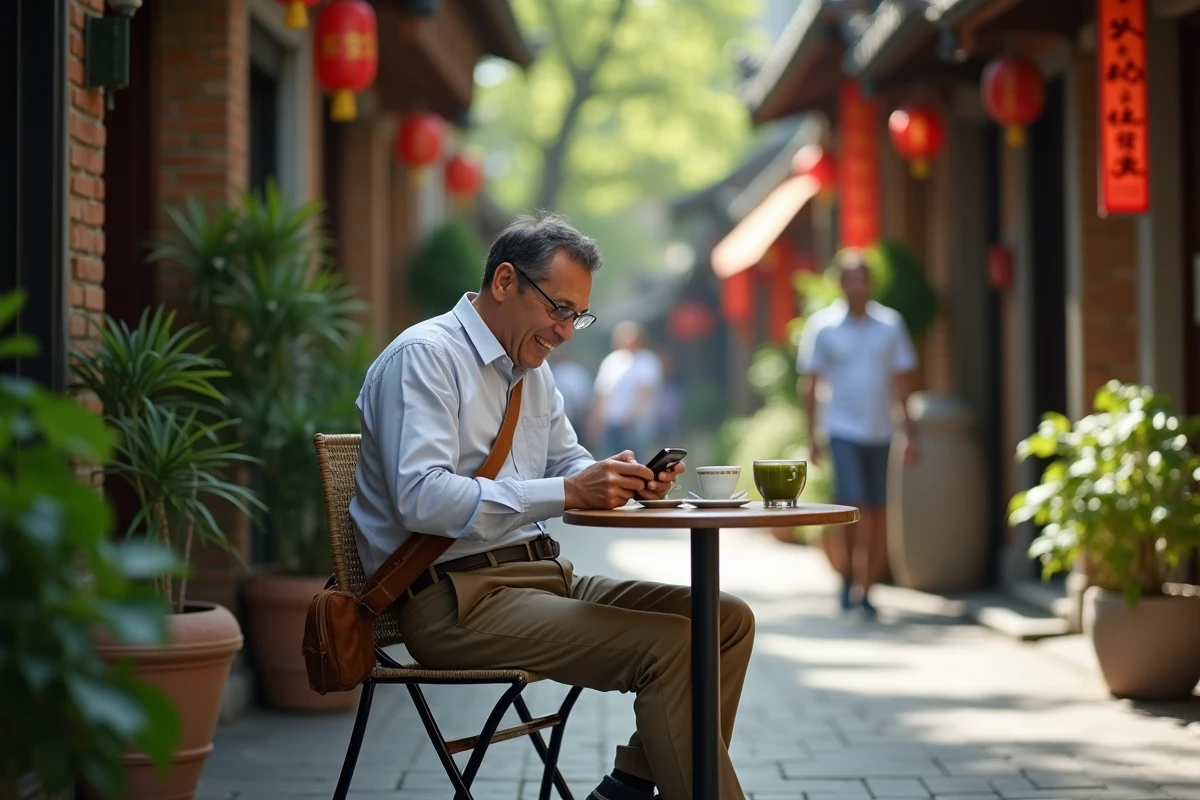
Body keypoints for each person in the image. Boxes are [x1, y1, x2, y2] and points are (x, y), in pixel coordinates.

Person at [350, 212, 754, 800]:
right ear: (505, 282)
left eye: (576, 315)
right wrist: (568, 492)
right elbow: (422, 497)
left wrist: (617, 479)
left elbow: (568, 464)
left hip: (542, 580)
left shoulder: (532, 372)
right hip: (452, 601)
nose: (567, 331)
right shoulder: (425, 358)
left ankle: (628, 788)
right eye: (557, 308)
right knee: (673, 646)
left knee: (724, 620)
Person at [796, 249, 919, 617]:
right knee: (852, 506)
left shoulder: (890, 325)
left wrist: (910, 433)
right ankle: (847, 577)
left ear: (870, 283)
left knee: (879, 512)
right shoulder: (823, 326)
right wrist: (811, 437)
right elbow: (811, 383)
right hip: (842, 429)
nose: (855, 285)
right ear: (839, 283)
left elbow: (903, 382)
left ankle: (867, 588)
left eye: (861, 278)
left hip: (881, 430)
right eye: (848, 278)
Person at [588, 321, 664, 461]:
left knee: (637, 460)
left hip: (635, 423)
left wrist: (630, 416)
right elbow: (602, 393)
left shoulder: (647, 360)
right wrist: (595, 420)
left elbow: (645, 392)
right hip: (611, 422)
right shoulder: (611, 361)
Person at [547, 348, 593, 440]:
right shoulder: (552, 370)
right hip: (556, 419)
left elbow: (582, 399)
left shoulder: (574, 371)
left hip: (573, 419)